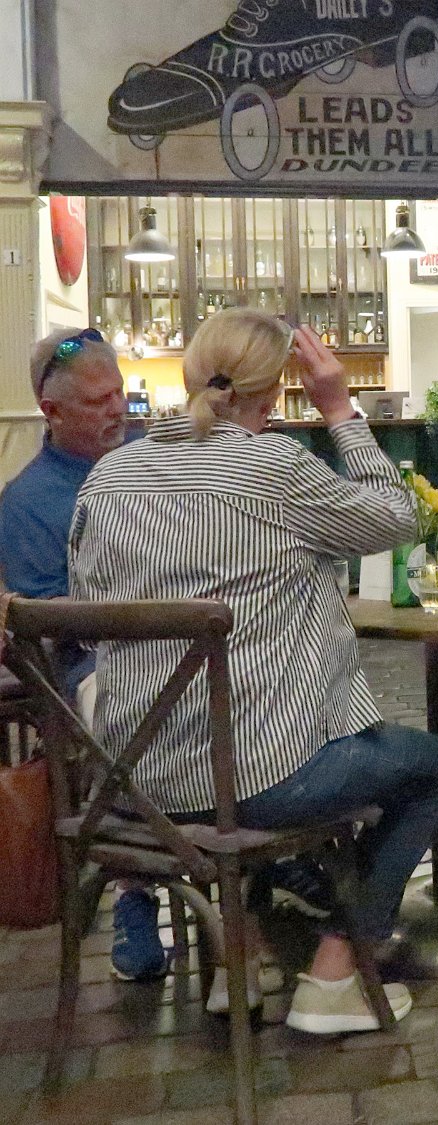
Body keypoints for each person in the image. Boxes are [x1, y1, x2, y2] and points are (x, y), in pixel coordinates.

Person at [69, 307, 438, 1033]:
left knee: (243, 742)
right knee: (428, 767)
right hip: (251, 785)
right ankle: (336, 975)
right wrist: (339, 409)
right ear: (274, 392)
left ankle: (236, 966)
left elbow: (89, 614)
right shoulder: (274, 466)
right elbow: (397, 518)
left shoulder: (108, 476)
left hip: (132, 784)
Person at [0, 328, 172, 981]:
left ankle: (268, 857)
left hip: (190, 646)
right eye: (99, 401)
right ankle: (136, 890)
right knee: (126, 708)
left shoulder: (157, 457)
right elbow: (48, 625)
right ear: (51, 411)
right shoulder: (26, 503)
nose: (118, 410)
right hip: (93, 666)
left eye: (119, 394)